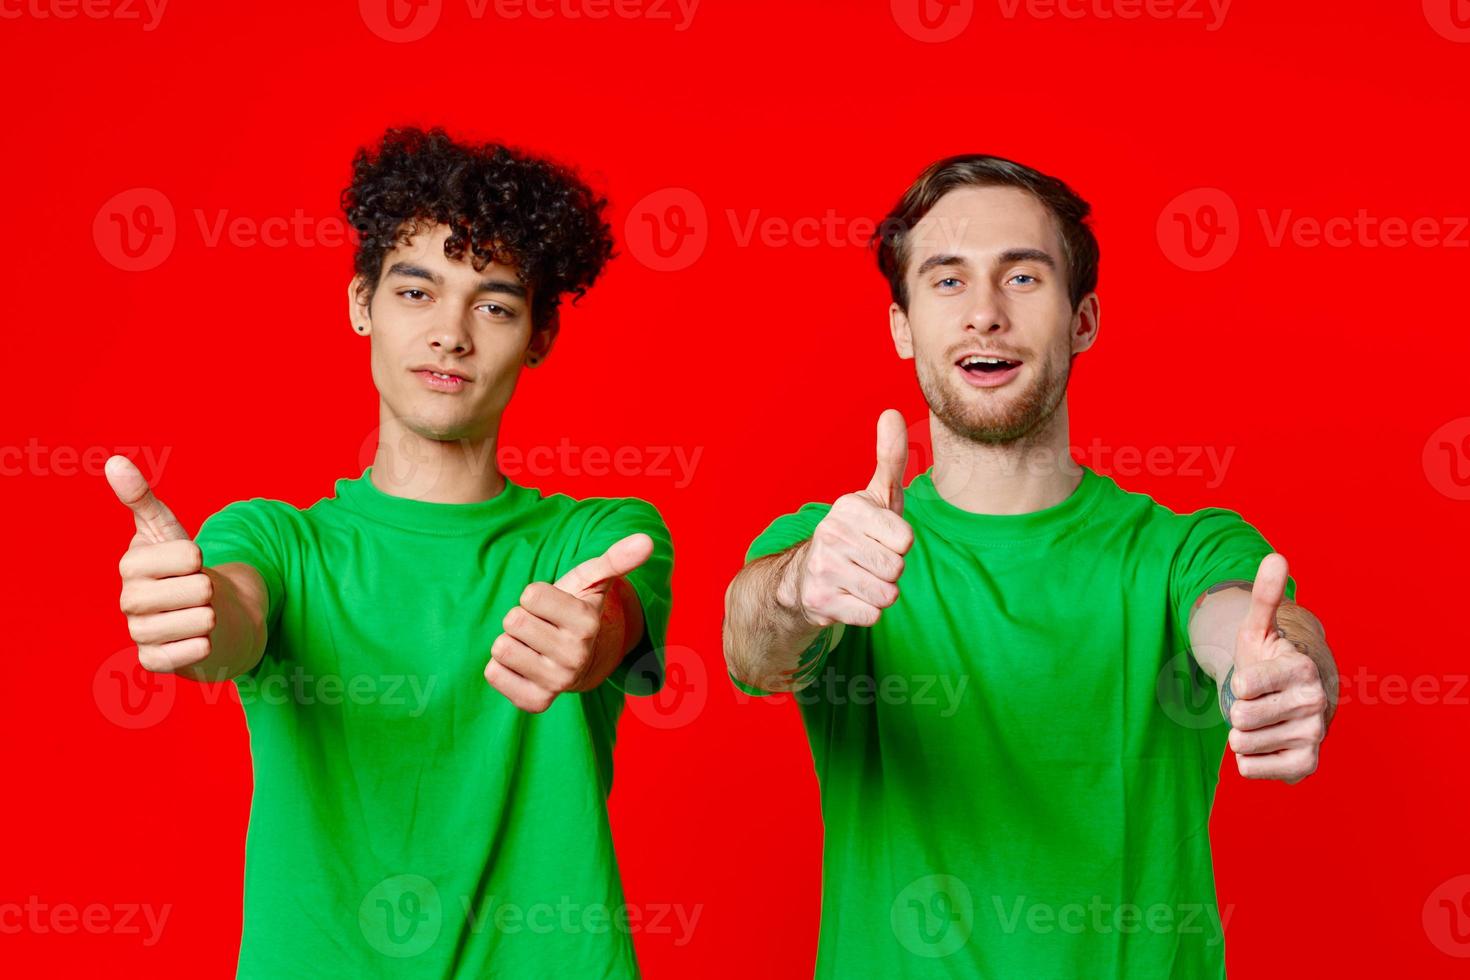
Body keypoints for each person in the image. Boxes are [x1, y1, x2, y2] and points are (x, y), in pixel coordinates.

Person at [722, 154, 1337, 978]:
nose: (984, 314)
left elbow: (1246, 624)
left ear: (1083, 320)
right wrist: (802, 587)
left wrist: (1281, 676)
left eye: (1022, 278)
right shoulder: (841, 546)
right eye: (946, 282)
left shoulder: (1182, 548)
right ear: (902, 327)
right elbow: (753, 646)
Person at [105, 126, 673, 978]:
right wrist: (192, 614)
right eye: (416, 293)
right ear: (360, 304)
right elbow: (234, 613)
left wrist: (586, 638)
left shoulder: (597, 539)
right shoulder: (274, 539)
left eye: (494, 304)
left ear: (540, 336)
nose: (451, 334)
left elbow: (607, 629)